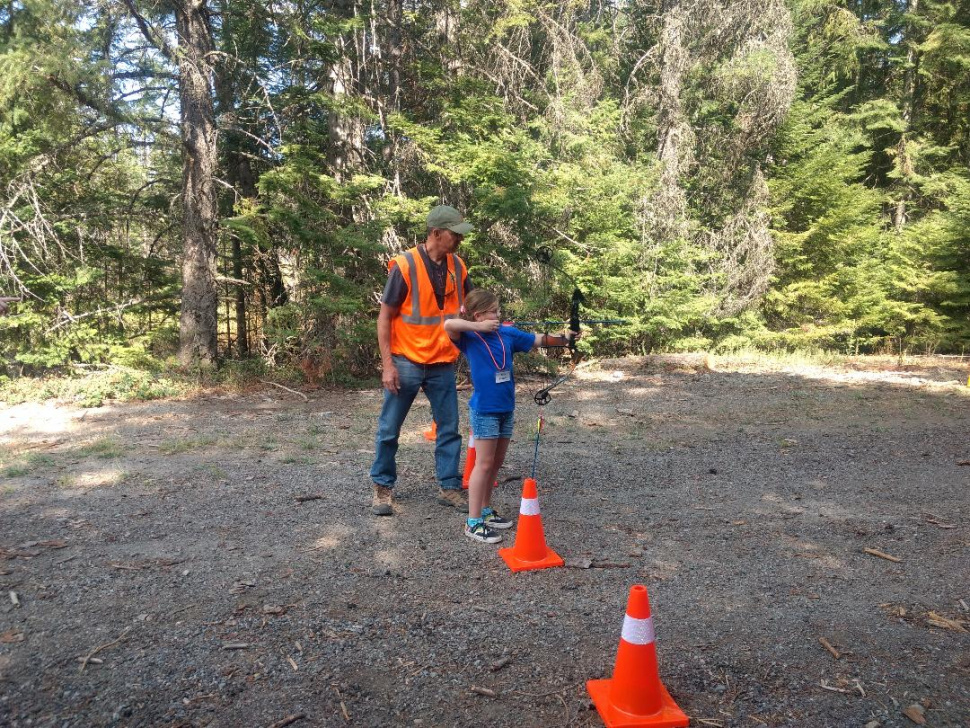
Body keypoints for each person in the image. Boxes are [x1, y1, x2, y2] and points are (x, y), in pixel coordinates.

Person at [444, 289, 577, 543]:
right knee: (482, 464)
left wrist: (566, 338)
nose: (498, 314)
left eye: (498, 310)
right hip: (485, 410)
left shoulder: (507, 333)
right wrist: (479, 326)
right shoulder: (469, 336)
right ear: (479, 314)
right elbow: (449, 324)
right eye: (493, 311)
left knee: (495, 463)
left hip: (506, 408)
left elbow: (538, 339)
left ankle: (485, 510)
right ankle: (472, 523)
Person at [369, 205, 475, 516]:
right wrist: (388, 365)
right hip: (407, 362)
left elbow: (470, 309)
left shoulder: (459, 267)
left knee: (450, 428)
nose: (459, 240)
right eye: (455, 234)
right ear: (436, 233)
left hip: (443, 362)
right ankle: (382, 488)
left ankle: (449, 487)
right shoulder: (405, 265)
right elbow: (385, 317)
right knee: (389, 428)